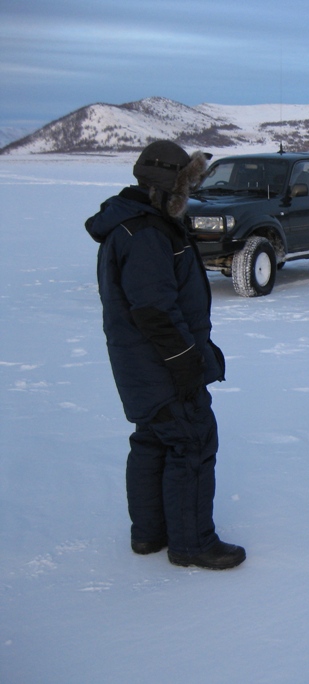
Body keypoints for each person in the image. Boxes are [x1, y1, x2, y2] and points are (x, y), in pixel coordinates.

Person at [85, 140, 246, 569]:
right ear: (168, 187)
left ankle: (149, 535)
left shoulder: (140, 224)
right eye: (185, 185)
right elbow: (154, 310)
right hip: (159, 363)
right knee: (192, 440)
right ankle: (192, 543)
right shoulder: (147, 233)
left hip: (140, 362)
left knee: (153, 439)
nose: (189, 194)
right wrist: (187, 363)